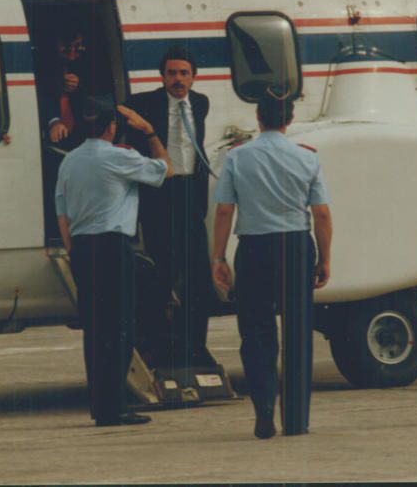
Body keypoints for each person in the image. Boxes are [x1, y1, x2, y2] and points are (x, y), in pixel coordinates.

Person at [210, 87, 332, 440]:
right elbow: (321, 213)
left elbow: (223, 211)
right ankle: (296, 420)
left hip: (254, 248)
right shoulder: (307, 158)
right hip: (295, 245)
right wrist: (324, 258)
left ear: (258, 118)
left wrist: (218, 256)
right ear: (290, 120)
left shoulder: (237, 158)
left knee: (257, 332)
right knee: (297, 332)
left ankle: (264, 410)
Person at [55, 101, 173, 426]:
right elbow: (166, 170)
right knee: (120, 327)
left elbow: (62, 212)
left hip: (81, 248)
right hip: (112, 246)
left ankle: (100, 406)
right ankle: (115, 407)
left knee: (95, 330)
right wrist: (149, 132)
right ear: (111, 127)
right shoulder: (119, 157)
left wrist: (76, 249)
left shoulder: (69, 162)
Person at [128, 46, 217, 368]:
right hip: (159, 196)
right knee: (161, 277)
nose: (177, 80)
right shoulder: (144, 103)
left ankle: (195, 346)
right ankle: (159, 347)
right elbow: (114, 109)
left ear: (194, 77)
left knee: (198, 282)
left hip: (190, 196)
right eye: (171, 73)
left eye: (183, 73)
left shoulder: (201, 103)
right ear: (162, 76)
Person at [45, 32, 89, 150]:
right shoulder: (43, 66)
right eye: (66, 50)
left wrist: (78, 86)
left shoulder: (85, 64)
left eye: (78, 49)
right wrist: (53, 121)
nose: (72, 56)